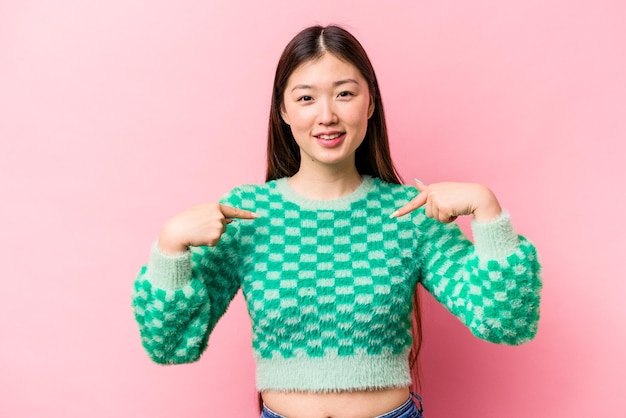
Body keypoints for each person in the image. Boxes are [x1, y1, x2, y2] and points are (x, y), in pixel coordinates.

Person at [132, 25, 542, 418]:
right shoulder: (248, 215)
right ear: (284, 110)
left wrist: (489, 213)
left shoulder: (409, 214)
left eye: (344, 93)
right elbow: (170, 346)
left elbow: (507, 321)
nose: (326, 115)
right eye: (306, 98)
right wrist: (170, 248)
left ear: (371, 102)